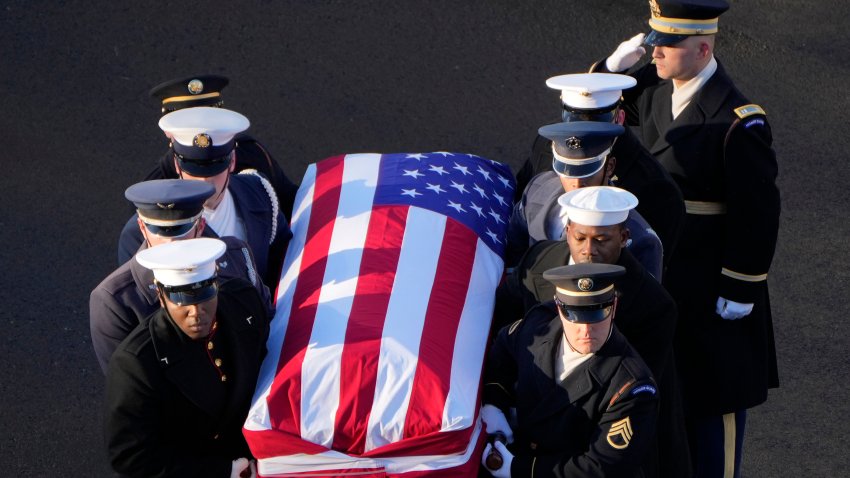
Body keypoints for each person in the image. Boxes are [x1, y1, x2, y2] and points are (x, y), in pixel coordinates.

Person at [594, 1, 780, 476]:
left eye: (666, 43)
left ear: (701, 48)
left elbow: (756, 215)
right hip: (665, 273)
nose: (654, 51)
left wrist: (739, 288)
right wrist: (606, 71)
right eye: (653, 39)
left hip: (709, 283)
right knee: (668, 398)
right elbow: (590, 111)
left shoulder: (737, 119)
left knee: (712, 407)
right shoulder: (656, 94)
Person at [494, 185, 689, 477]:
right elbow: (506, 334)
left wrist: (523, 469)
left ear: (624, 238)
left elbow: (615, 418)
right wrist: (495, 402)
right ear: (567, 230)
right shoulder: (541, 264)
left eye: (601, 240)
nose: (588, 250)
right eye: (580, 238)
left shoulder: (652, 308)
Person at [104, 238, 269, 478]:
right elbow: (131, 456)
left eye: (205, 297)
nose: (196, 312)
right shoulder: (136, 363)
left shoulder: (243, 302)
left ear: (217, 285)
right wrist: (224, 472)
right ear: (161, 296)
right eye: (181, 300)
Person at [481, 263, 659, 478]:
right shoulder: (538, 326)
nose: (585, 329)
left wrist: (520, 469)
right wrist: (495, 401)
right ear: (558, 308)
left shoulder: (632, 386)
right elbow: (503, 349)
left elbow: (601, 467)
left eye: (597, 314)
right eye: (574, 314)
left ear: (613, 307)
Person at [91, 179, 272, 374]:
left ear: (201, 225)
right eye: (158, 229)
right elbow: (128, 383)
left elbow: (267, 324)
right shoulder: (114, 300)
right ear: (142, 228)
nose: (170, 241)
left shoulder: (237, 255)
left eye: (180, 229)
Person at [516, 73, 684, 263]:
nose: (583, 134)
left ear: (619, 118)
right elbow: (523, 201)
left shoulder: (654, 186)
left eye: (596, 124)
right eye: (574, 120)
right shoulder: (545, 146)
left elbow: (653, 265)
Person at [117, 106, 292, 288]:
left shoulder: (258, 190)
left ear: (232, 161)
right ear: (177, 165)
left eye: (215, 165)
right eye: (193, 167)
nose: (204, 178)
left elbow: (285, 259)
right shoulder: (145, 229)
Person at [506, 121, 663, 281]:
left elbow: (645, 301)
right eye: (566, 169)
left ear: (609, 167)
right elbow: (513, 251)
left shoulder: (642, 240)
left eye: (587, 170)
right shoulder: (537, 189)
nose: (576, 182)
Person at [146, 74, 300, 219]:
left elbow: (292, 203)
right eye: (187, 125)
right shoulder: (154, 188)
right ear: (167, 130)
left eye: (210, 120)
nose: (201, 133)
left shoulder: (250, 153)